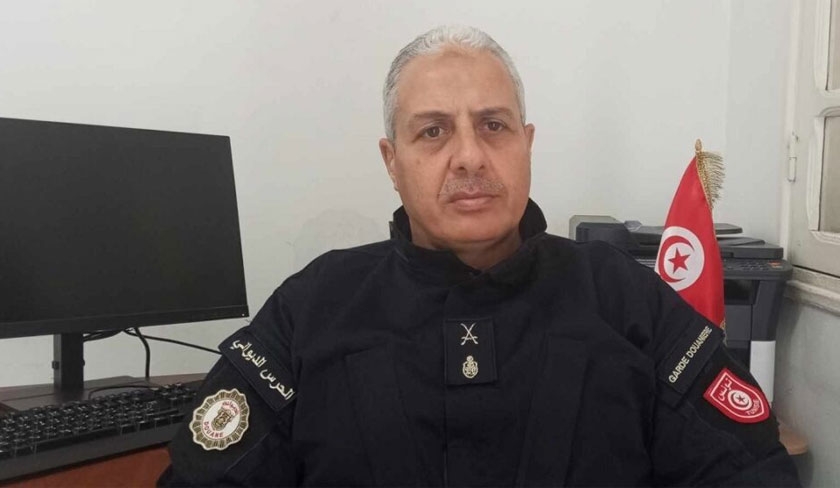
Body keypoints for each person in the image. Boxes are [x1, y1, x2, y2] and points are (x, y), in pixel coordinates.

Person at [159, 26, 801, 486]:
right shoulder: (312, 306)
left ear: (526, 144)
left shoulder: (624, 298)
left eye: (493, 125)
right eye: (432, 131)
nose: (469, 156)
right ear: (392, 161)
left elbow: (752, 472)